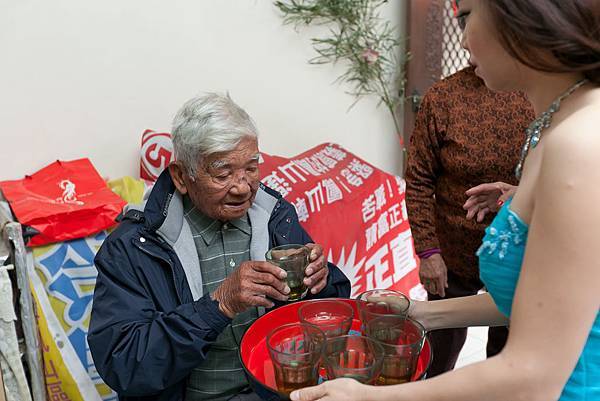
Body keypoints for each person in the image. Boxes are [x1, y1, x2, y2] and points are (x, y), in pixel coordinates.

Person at [291, 0, 600, 400]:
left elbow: (533, 376)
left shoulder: (579, 143)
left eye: (466, 17)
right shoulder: (557, 124)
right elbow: (543, 303)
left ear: (523, 13)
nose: (465, 41)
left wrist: (369, 396)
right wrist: (420, 312)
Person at [88, 93, 351, 401]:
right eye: (223, 173)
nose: (242, 187)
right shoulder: (135, 247)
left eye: (251, 168)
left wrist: (319, 282)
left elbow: (331, 313)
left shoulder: (274, 218)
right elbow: (123, 364)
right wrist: (220, 304)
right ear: (182, 176)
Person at [405, 64, 534, 376]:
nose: (466, 40)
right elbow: (419, 180)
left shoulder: (537, 96)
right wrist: (428, 252)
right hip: (454, 252)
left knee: (505, 358)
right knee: (440, 353)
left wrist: (518, 193)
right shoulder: (443, 97)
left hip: (517, 254)